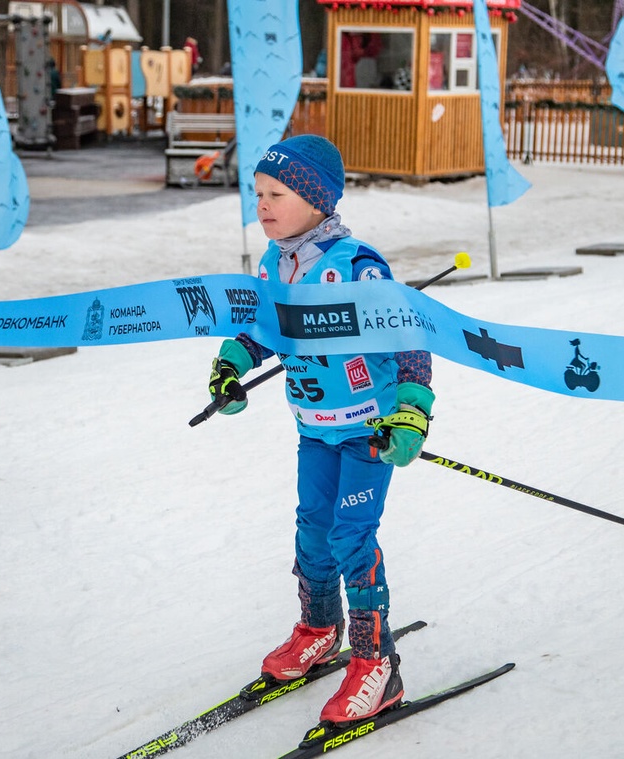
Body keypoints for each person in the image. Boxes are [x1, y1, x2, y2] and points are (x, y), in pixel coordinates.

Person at [206, 135, 434, 726]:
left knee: (351, 537)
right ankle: (319, 629)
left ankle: (375, 665)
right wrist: (233, 362)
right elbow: (263, 327)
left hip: (367, 427)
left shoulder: (355, 263)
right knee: (313, 531)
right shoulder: (273, 263)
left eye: (276, 194)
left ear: (314, 197)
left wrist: (410, 408)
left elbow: (405, 334)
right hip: (314, 426)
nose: (262, 205)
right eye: (257, 194)